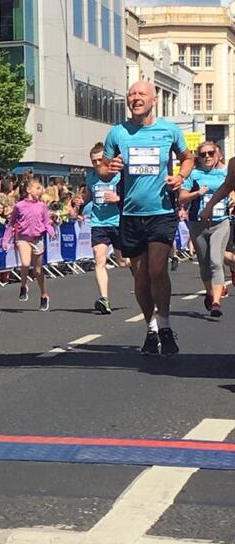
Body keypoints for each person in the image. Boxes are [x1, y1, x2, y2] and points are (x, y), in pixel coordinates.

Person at [98, 80, 194, 356]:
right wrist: (109, 168)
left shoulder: (169, 130)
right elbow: (103, 169)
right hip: (130, 214)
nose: (135, 98)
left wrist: (180, 177)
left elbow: (187, 158)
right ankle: (151, 329)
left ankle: (165, 325)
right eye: (131, 94)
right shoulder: (118, 133)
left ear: (153, 100)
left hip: (161, 212)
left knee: (157, 270)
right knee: (140, 277)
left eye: (141, 94)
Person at [180, 141, 229, 317]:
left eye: (210, 153)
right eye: (203, 154)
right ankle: (210, 294)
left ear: (218, 155)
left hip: (220, 223)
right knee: (204, 264)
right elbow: (182, 198)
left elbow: (232, 188)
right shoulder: (194, 175)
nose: (207, 157)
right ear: (198, 158)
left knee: (216, 260)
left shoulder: (225, 173)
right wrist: (197, 193)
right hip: (198, 223)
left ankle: (216, 302)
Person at [82, 142, 124, 314]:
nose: (97, 164)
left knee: (123, 262)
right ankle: (104, 299)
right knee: (99, 261)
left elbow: (131, 197)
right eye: (94, 161)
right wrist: (79, 202)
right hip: (99, 224)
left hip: (119, 223)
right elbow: (88, 196)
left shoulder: (119, 176)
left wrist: (118, 198)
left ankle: (139, 272)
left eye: (100, 160)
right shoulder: (91, 178)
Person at [2, 178, 55, 311]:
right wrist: (5, 240)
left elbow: (46, 222)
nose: (40, 190)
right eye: (37, 188)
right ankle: (24, 285)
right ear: (28, 190)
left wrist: (51, 231)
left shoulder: (42, 206)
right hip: (23, 238)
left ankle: (44, 294)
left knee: (38, 271)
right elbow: (11, 224)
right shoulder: (19, 206)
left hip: (37, 239)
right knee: (25, 263)